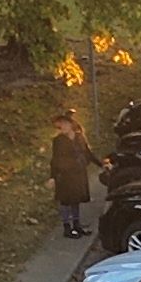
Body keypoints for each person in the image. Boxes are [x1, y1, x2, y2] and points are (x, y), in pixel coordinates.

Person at [48, 103, 99, 245]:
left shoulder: (79, 137)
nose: (62, 127)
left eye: (65, 124)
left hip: (78, 173)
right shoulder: (58, 141)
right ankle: (67, 227)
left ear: (71, 124)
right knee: (66, 201)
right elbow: (55, 159)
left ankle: (76, 225)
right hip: (65, 175)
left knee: (76, 199)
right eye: (61, 124)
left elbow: (88, 153)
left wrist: (102, 164)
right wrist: (53, 176)